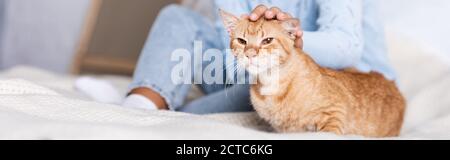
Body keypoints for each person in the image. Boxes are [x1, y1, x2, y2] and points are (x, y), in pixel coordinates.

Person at [122, 0, 396, 114]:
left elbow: (346, 47)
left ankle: (169, 110)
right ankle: (141, 103)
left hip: (337, 79)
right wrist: (251, 40)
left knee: (272, 87)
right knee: (176, 18)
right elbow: (227, 48)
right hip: (252, 68)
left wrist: (293, 38)